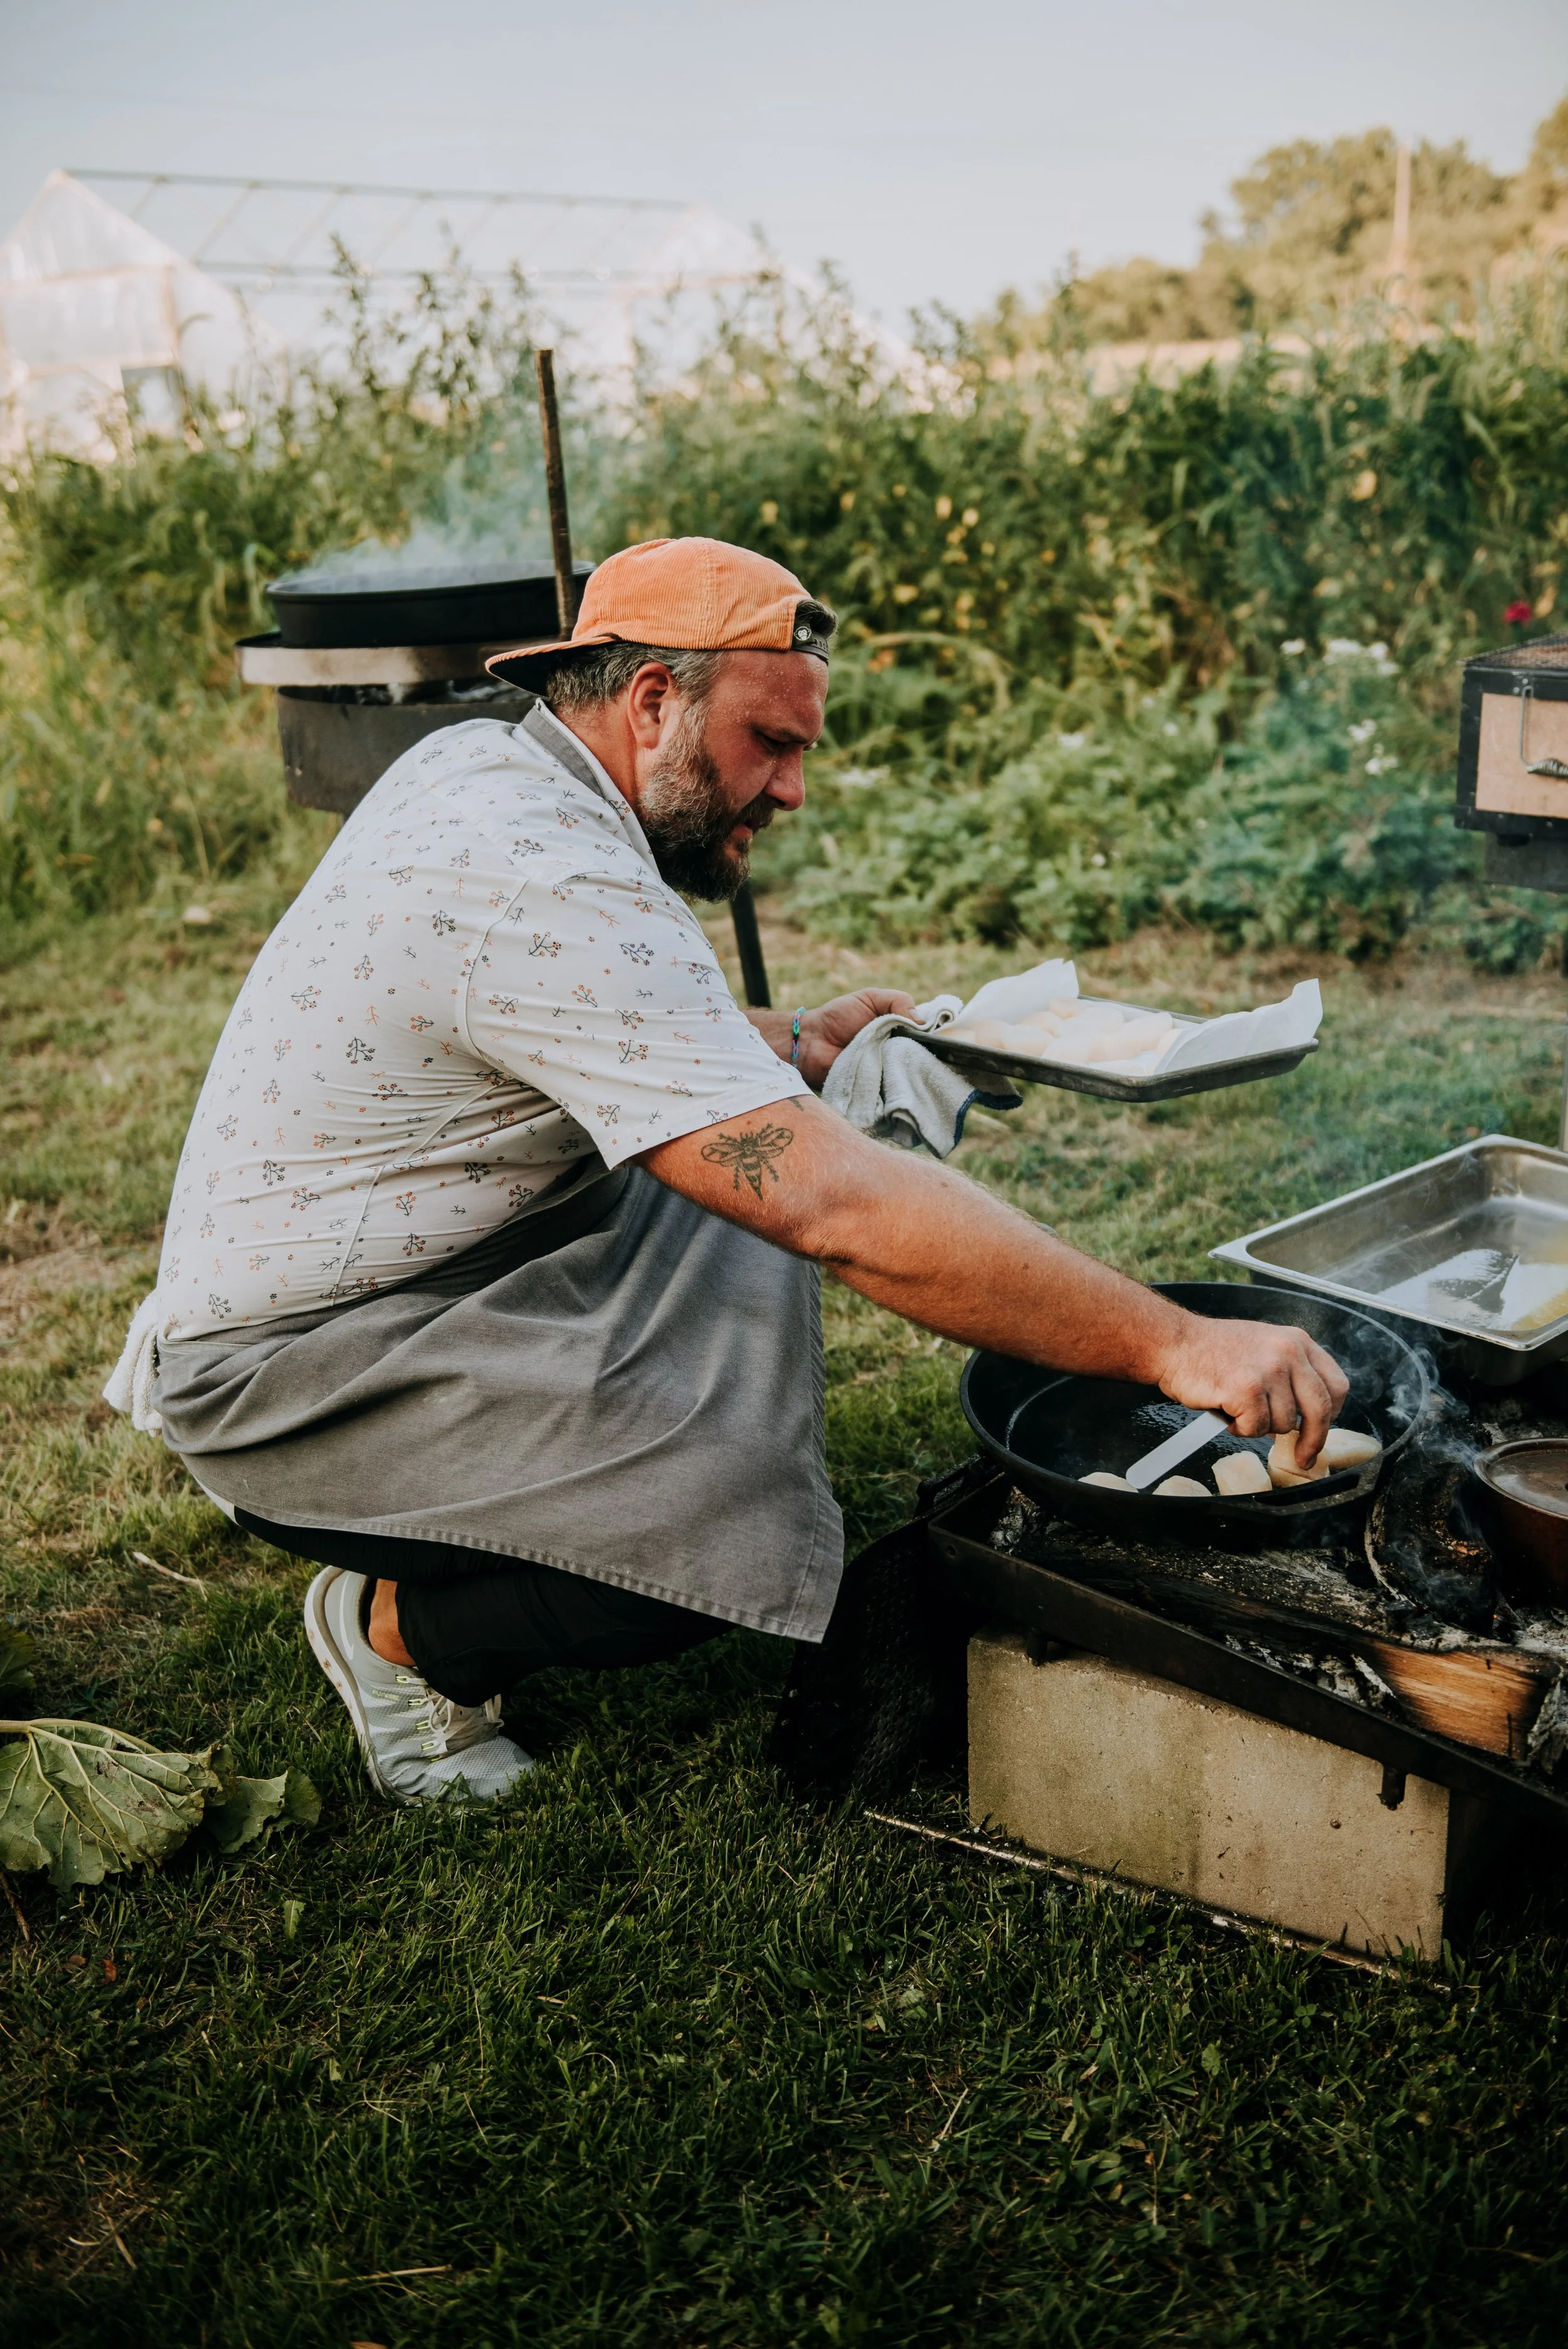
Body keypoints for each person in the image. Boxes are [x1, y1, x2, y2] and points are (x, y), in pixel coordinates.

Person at [122, 536, 1347, 1806]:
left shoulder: (489, 767)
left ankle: (563, 1471)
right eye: (770, 743)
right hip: (289, 1375)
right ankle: (392, 1636)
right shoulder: (539, 878)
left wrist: (796, 1042)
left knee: (756, 1199)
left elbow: (565, 1028)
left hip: (456, 1268)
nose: (793, 791)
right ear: (652, 700)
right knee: (722, 1520)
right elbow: (833, 1208)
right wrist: (1170, 1346)